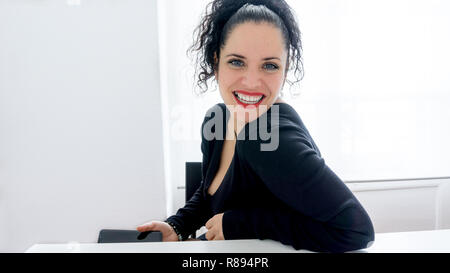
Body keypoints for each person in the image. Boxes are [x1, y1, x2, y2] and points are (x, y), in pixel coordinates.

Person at [137, 0, 375, 252]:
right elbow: (210, 192)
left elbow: (357, 230)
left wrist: (241, 224)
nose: (251, 82)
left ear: (286, 68)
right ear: (216, 62)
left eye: (269, 65)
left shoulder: (269, 139)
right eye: (237, 62)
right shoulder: (217, 119)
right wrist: (177, 226)